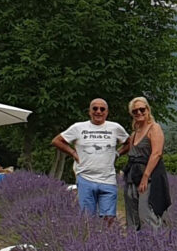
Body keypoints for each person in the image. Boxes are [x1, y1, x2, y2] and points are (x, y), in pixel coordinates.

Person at [53, 98, 129, 226]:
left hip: (108, 179)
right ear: (89, 111)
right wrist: (73, 153)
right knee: (87, 219)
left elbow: (129, 143)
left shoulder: (115, 128)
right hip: (85, 178)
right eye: (95, 108)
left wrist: (118, 153)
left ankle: (106, 242)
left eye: (102, 109)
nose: (98, 111)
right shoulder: (78, 127)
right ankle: (90, 241)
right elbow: (57, 141)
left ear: (107, 112)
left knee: (109, 218)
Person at [122, 96, 171, 232]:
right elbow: (129, 151)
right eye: (135, 111)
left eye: (141, 109)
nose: (139, 113)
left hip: (149, 177)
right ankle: (135, 247)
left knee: (147, 214)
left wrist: (145, 176)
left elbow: (157, 153)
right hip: (132, 176)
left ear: (148, 110)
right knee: (132, 216)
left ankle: (153, 247)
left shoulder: (154, 128)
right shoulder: (134, 133)